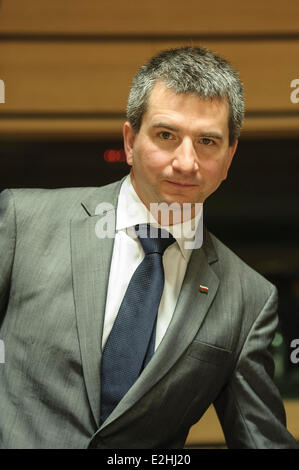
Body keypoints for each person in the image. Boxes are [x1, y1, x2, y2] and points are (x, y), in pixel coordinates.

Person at [0, 46, 297, 449]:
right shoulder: (23, 222)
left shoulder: (248, 300)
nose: (186, 162)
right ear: (129, 140)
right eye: (166, 135)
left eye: (208, 141)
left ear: (229, 158)